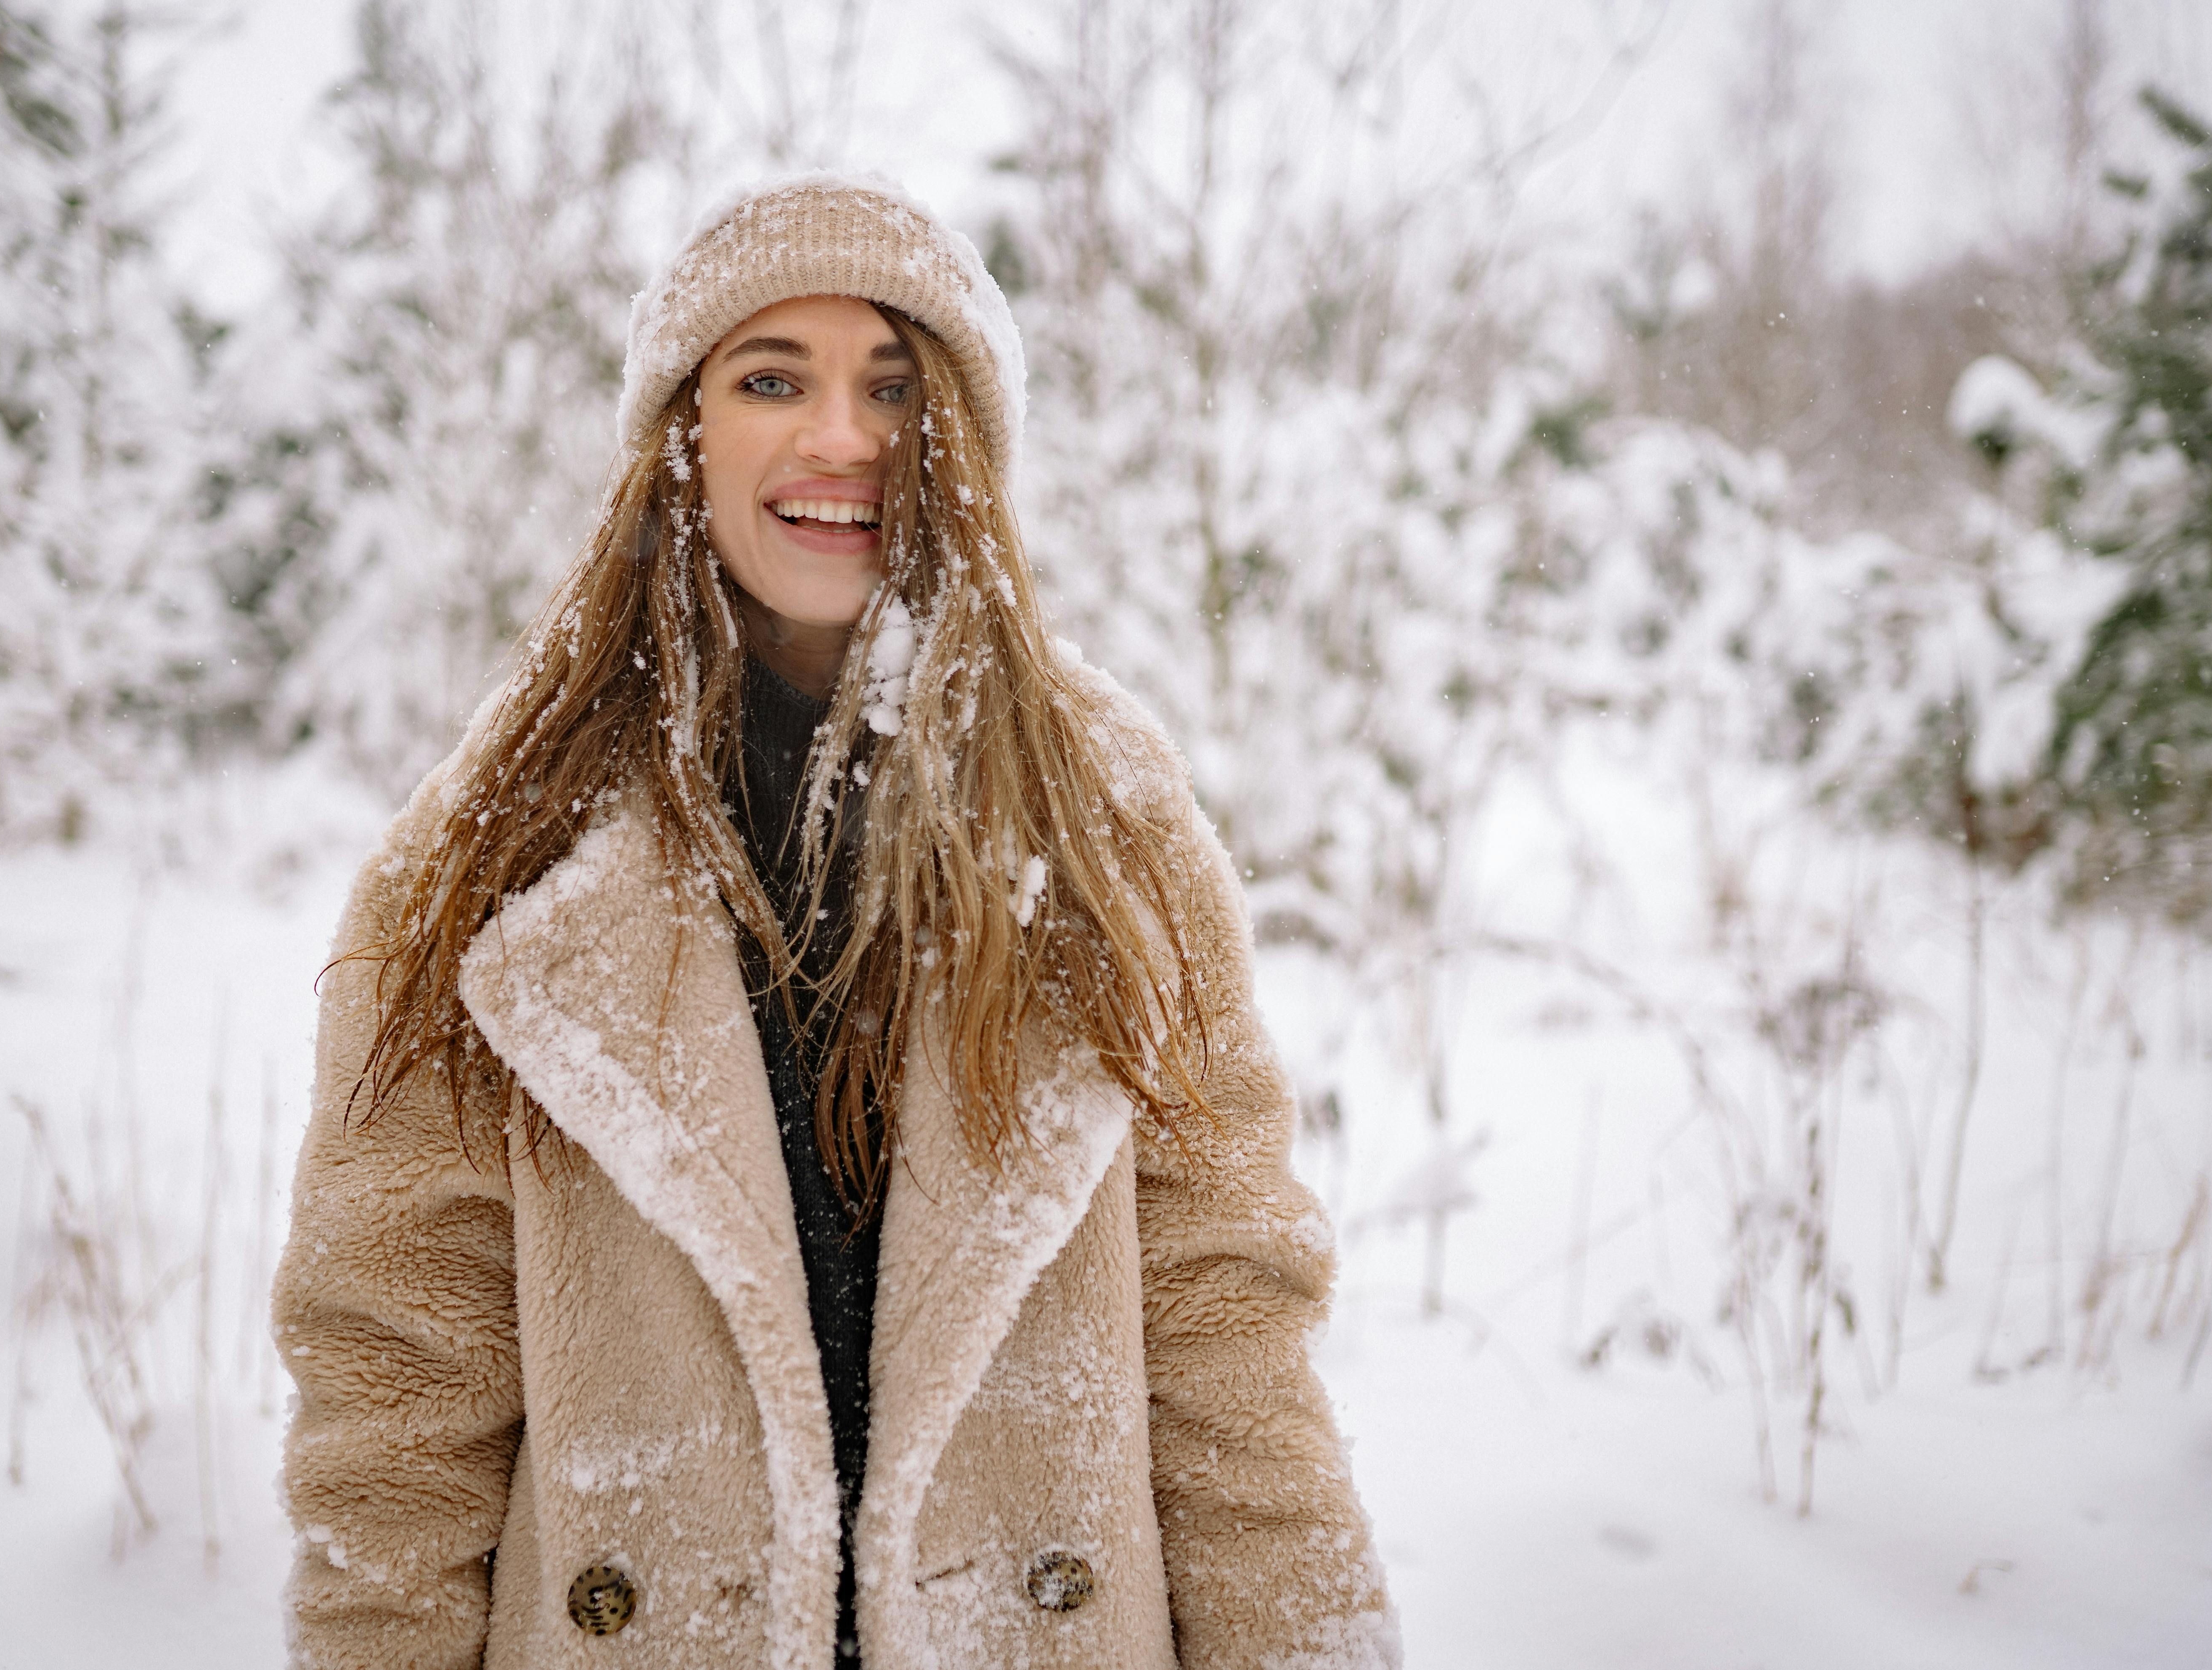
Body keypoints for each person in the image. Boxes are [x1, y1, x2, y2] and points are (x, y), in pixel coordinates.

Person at [270, 174, 1399, 1670]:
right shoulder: (490, 853)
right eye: (769, 378)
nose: (840, 437)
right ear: (681, 430)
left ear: (964, 443)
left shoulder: (1107, 821)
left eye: (891, 383)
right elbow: (394, 1409)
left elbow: (1227, 1347)